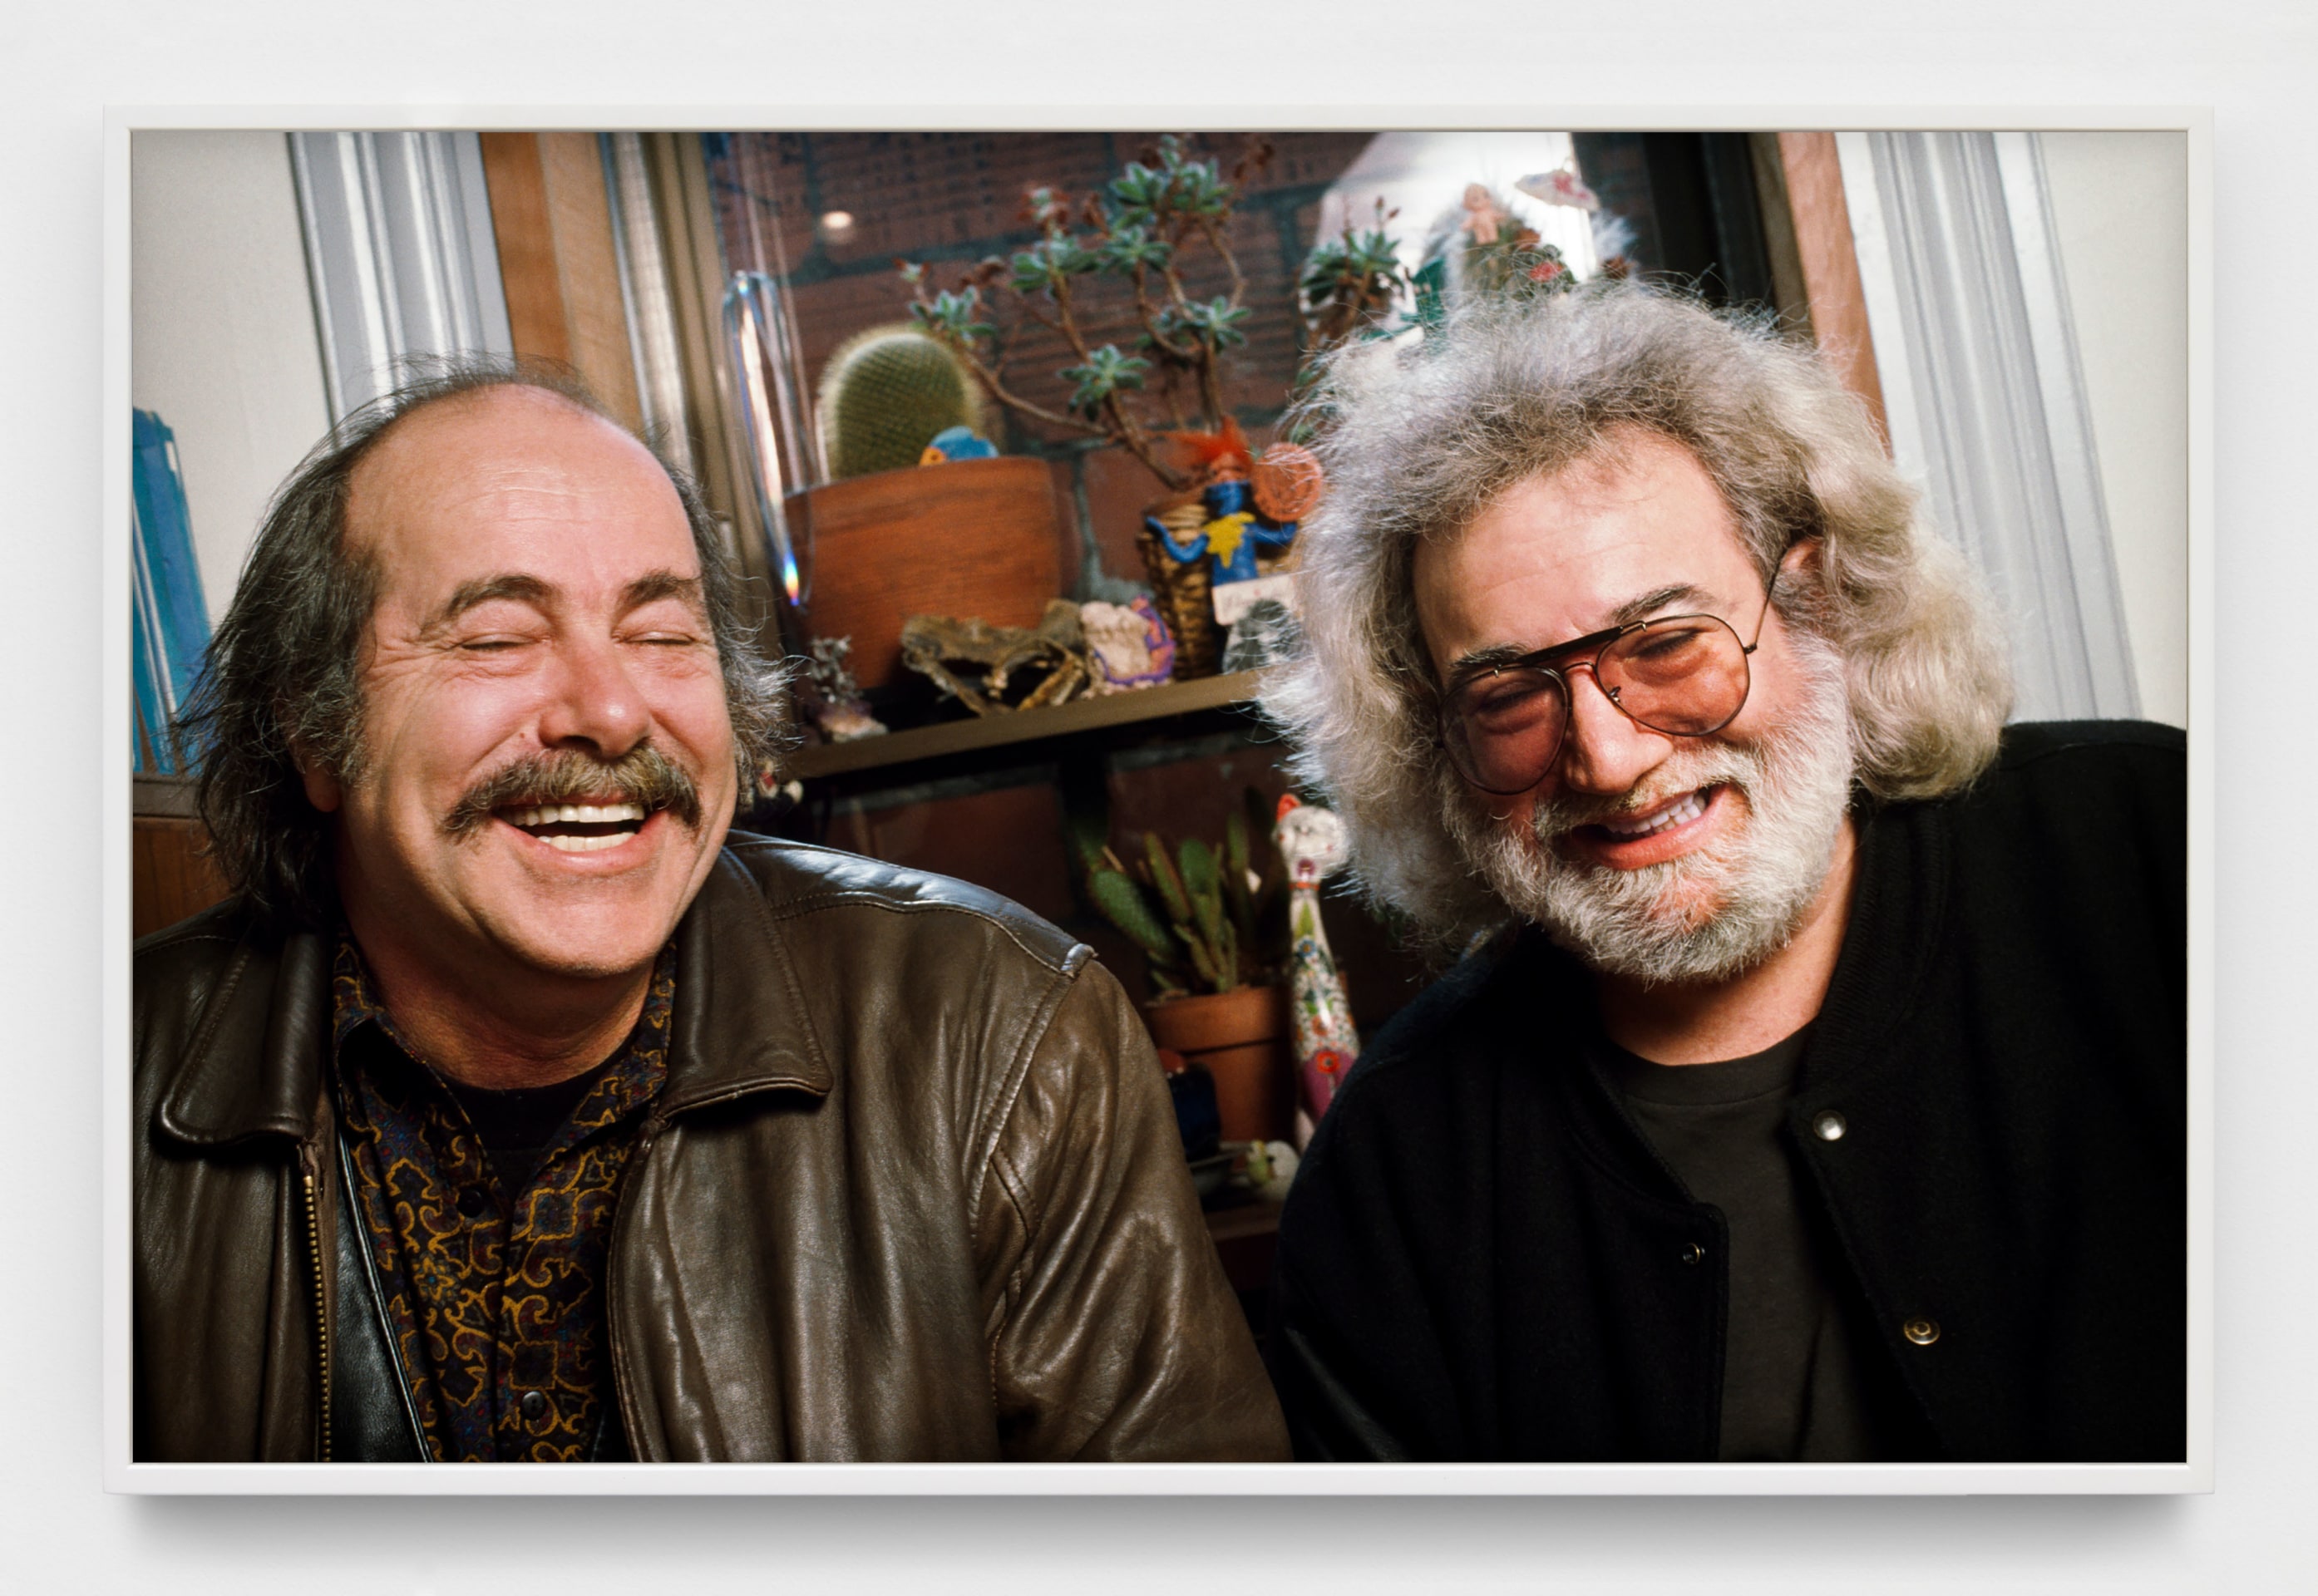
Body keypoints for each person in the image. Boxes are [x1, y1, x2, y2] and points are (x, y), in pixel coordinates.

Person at [134, 362, 1287, 1464]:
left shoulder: (1005, 1037)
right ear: (312, 727)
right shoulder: (93, 1099)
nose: (611, 712)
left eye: (660, 635)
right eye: (497, 638)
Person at [1259, 285, 2184, 1463]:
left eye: (1665, 647)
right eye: (1508, 698)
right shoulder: (1398, 1164)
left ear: (1818, 604)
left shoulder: (2156, 850)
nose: (1608, 758)